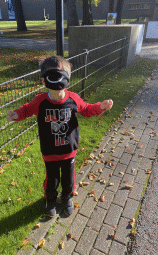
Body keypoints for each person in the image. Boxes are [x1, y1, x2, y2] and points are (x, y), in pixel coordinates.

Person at [7, 55, 113, 217]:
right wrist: (16, 114)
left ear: (68, 77)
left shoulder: (73, 99)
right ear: (44, 81)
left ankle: (67, 197)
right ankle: (50, 199)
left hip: (69, 149)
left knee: (68, 178)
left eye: (61, 75)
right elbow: (27, 109)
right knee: (52, 179)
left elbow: (87, 109)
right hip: (49, 151)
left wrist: (101, 107)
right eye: (52, 76)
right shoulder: (40, 101)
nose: (57, 81)